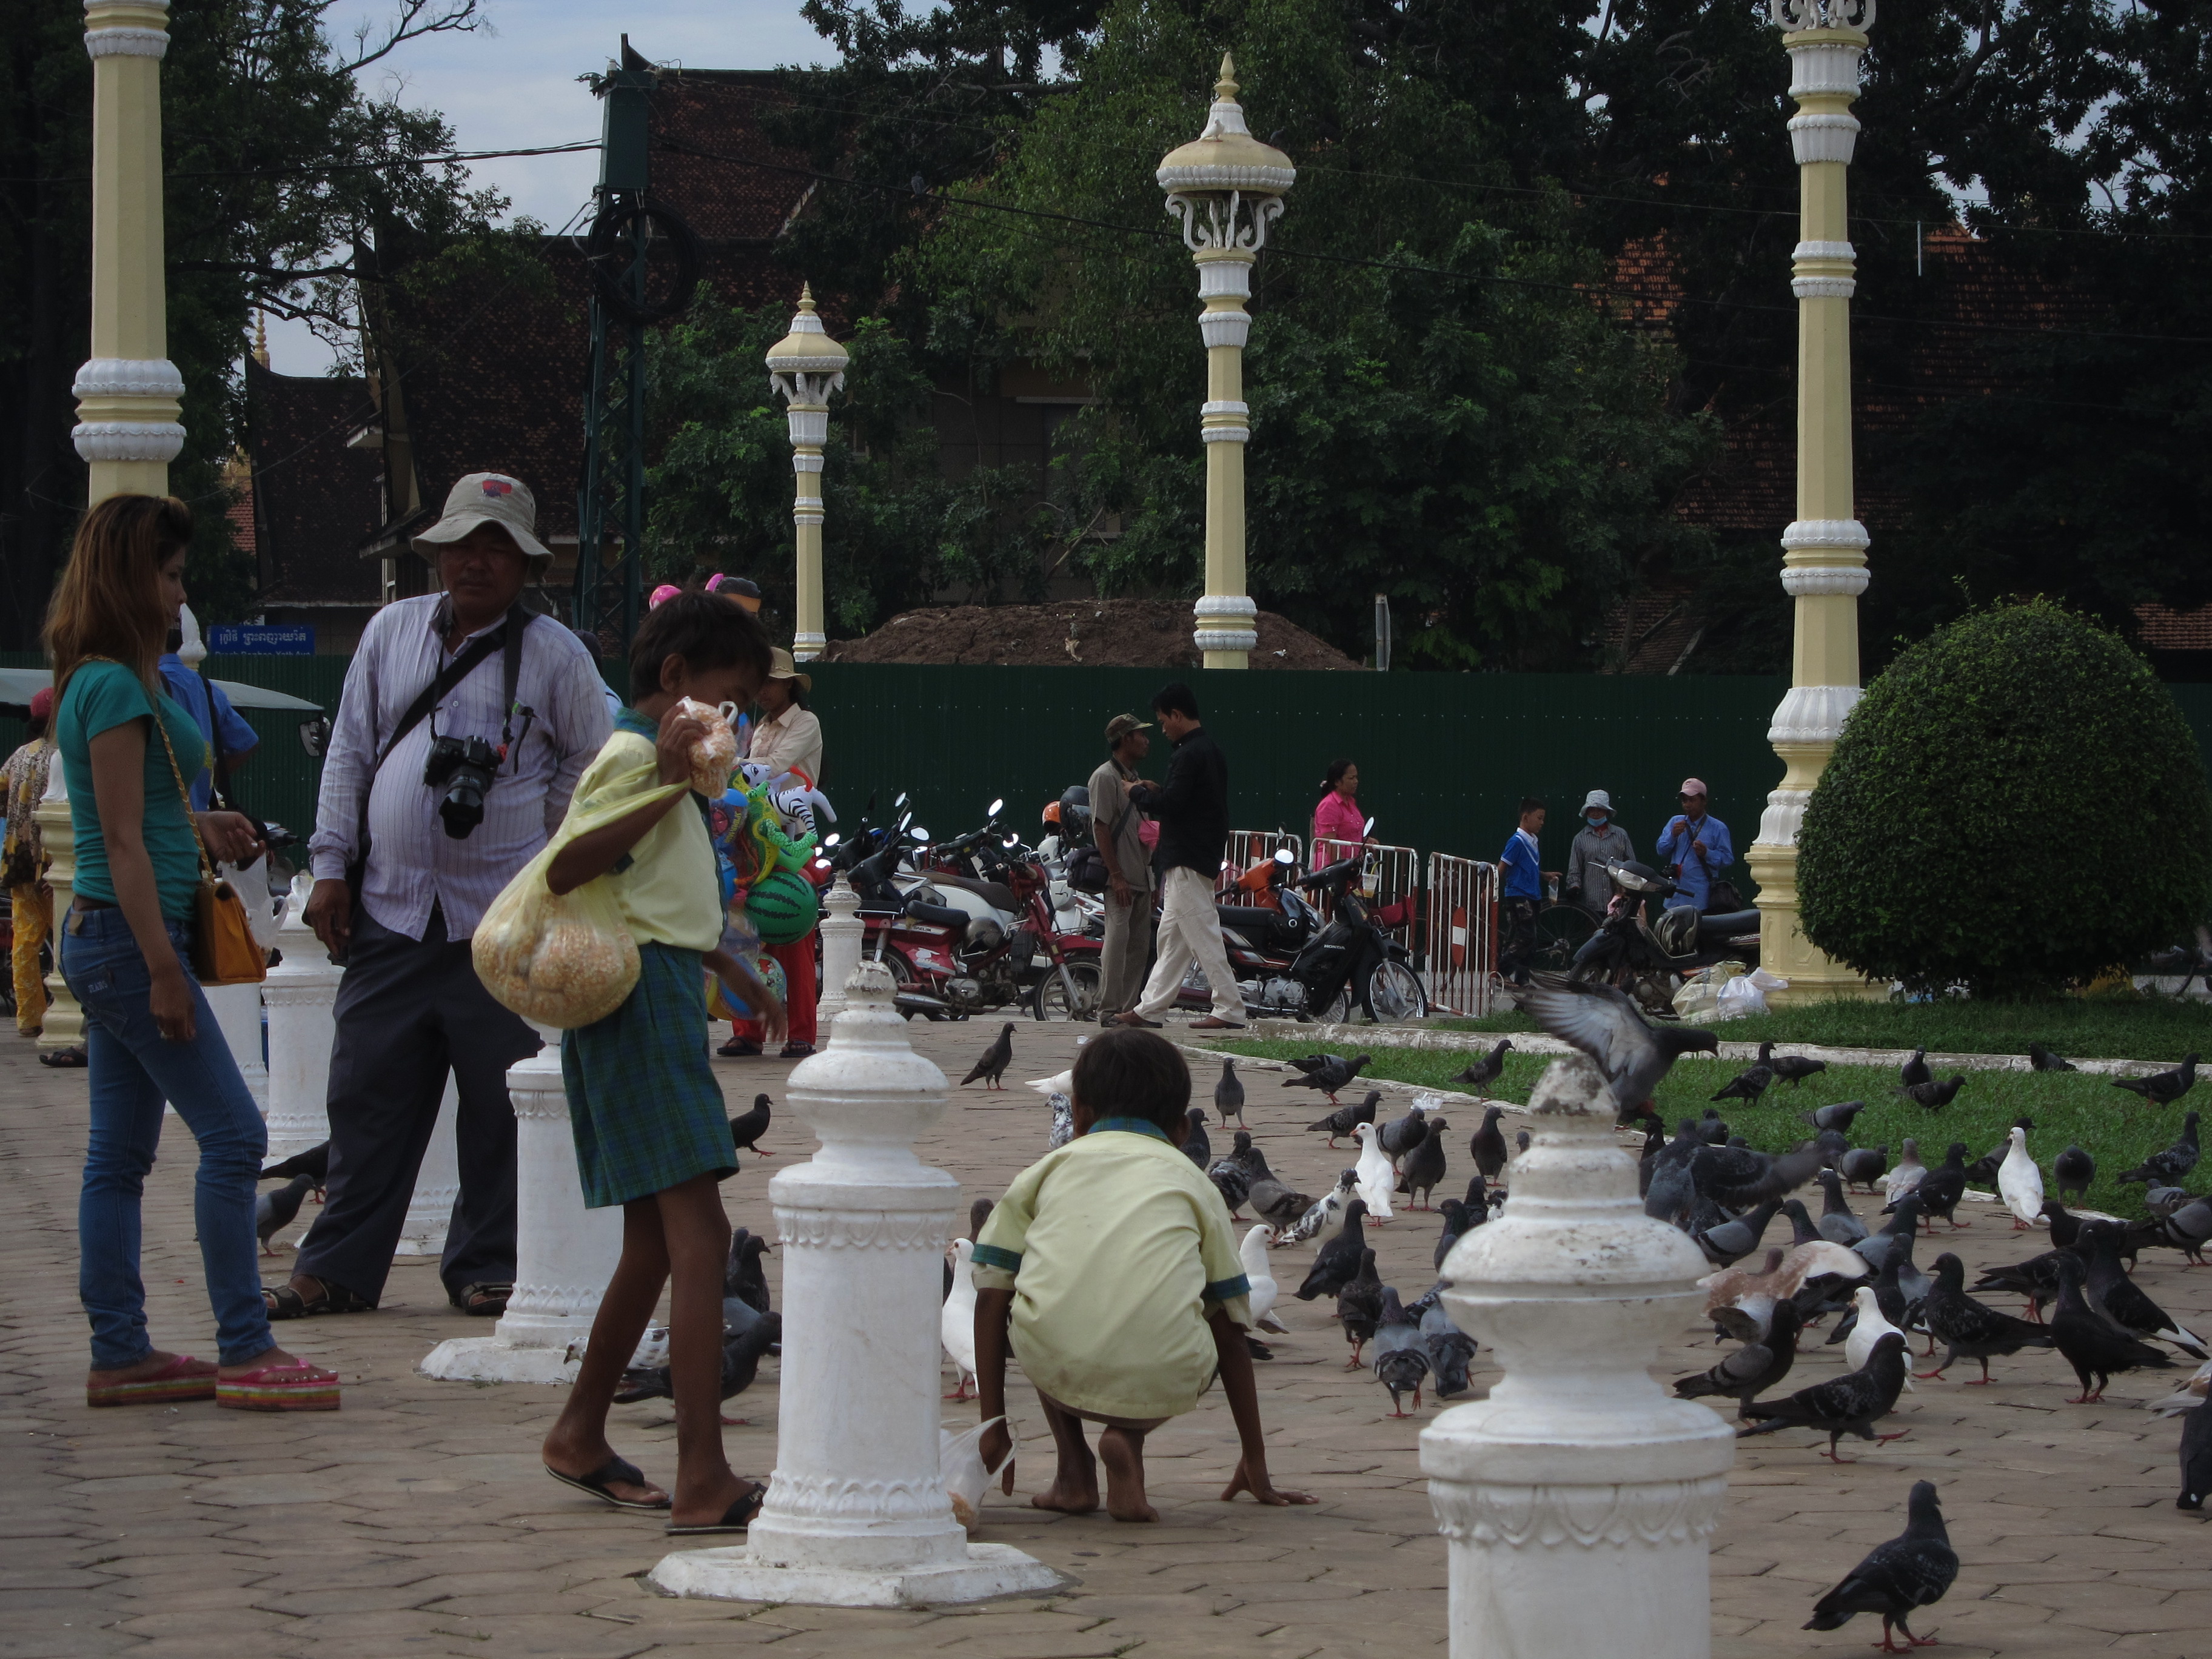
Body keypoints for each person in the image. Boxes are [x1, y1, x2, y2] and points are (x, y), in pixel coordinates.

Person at [282, 473, 612, 1322]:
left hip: (502, 925)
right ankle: (338, 1270)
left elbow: (592, 766)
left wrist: (545, 860)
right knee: (365, 1099)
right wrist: (329, 867)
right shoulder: (390, 633)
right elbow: (351, 754)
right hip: (391, 908)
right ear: (437, 554)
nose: (478, 561)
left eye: (498, 547)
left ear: (525, 564)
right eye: (465, 543)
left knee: (499, 1108)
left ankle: (487, 1266)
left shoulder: (554, 655)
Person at [48, 494, 338, 1410]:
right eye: (170, 576)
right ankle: (245, 1346)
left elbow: (128, 818)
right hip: (133, 937)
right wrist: (166, 969)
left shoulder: (102, 681)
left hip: (109, 934)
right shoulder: (115, 685)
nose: (180, 596)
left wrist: (199, 819)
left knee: (119, 1157)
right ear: (133, 578)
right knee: (235, 1136)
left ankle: (122, 1348)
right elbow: (121, 843)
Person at [538, 592, 778, 1530]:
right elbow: (568, 867)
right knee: (701, 1242)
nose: (733, 723)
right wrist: (674, 782)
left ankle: (581, 1431)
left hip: (662, 987)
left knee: (653, 1245)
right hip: (638, 1008)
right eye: (726, 700)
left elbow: (643, 892)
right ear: (675, 682)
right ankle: (702, 1473)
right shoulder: (640, 758)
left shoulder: (656, 767)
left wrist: (726, 964)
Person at [971, 1027, 1313, 1522]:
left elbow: (989, 1297)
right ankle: (1127, 1437)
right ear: (1180, 1129)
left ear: (1081, 1117)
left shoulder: (1043, 1173)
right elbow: (1231, 1330)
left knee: (1038, 1302)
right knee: (1199, 1314)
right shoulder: (1195, 1185)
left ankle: (1073, 1473)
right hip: (1163, 1369)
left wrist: (993, 1426)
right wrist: (1255, 1462)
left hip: (1056, 1357)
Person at [1113, 682, 1244, 1031]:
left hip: (1186, 855)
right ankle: (1151, 1008)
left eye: (1162, 720)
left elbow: (1172, 807)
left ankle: (1230, 1007)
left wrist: (1137, 792)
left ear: (1177, 715)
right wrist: (1160, 790)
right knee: (1172, 939)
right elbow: (1191, 802)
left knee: (1202, 931)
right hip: (1198, 852)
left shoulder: (1188, 754)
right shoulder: (1209, 750)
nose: (1162, 727)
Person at [725, 645, 823, 1059]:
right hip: (754, 839)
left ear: (788, 685)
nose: (763, 691)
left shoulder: (806, 723)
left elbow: (772, 768)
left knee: (794, 934)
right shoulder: (760, 726)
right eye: (759, 683)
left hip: (792, 840)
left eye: (770, 682)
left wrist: (736, 764)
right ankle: (748, 1031)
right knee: (743, 934)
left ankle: (801, 1033)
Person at [1088, 714, 1155, 1024]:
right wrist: (1116, 876)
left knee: (1139, 947)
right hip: (1122, 878)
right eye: (1141, 735)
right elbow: (1101, 827)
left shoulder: (1133, 776)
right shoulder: (1105, 777)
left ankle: (1127, 1010)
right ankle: (1108, 1009)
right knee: (1116, 944)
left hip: (1141, 876)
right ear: (1126, 739)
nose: (1146, 740)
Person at [5, 687, 56, 1037]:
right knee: (69, 937)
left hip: (20, 858)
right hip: (59, 860)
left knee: (25, 941)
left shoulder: (20, 755)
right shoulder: (67, 754)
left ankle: (30, 1018)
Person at [1654, 778, 1734, 913]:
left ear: (1704, 801)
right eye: (1684, 800)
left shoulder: (1718, 828)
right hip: (1674, 897)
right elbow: (1661, 850)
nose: (1687, 805)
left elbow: (1728, 858)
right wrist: (1672, 835)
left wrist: (1707, 853)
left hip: (1699, 898)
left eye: (1692, 800)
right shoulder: (1675, 822)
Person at [1496, 796, 1545, 987]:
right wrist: (1489, 889)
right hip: (1517, 895)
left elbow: (1527, 866)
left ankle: (1523, 979)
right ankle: (1502, 971)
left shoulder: (1533, 841)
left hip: (1533, 895)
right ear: (1526, 817)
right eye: (1539, 818)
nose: (1542, 822)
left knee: (1532, 941)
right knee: (1525, 936)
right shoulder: (1516, 842)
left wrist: (1544, 875)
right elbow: (1503, 867)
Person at [1564, 789, 1635, 917]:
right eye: (1592, 810)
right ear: (1587, 812)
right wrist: (1574, 887)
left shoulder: (1620, 835)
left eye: (1600, 809)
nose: (1595, 813)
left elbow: (1631, 864)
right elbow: (1575, 869)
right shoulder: (1580, 839)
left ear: (1607, 812)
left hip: (1618, 900)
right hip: (1592, 902)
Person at [1310, 759, 1369, 862]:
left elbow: (1350, 834)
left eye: (1356, 777)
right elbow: (1331, 844)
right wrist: (1341, 870)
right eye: (1351, 778)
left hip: (1351, 865)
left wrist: (1364, 840)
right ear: (1337, 782)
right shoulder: (1329, 805)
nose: (1356, 781)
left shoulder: (1351, 802)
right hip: (1331, 869)